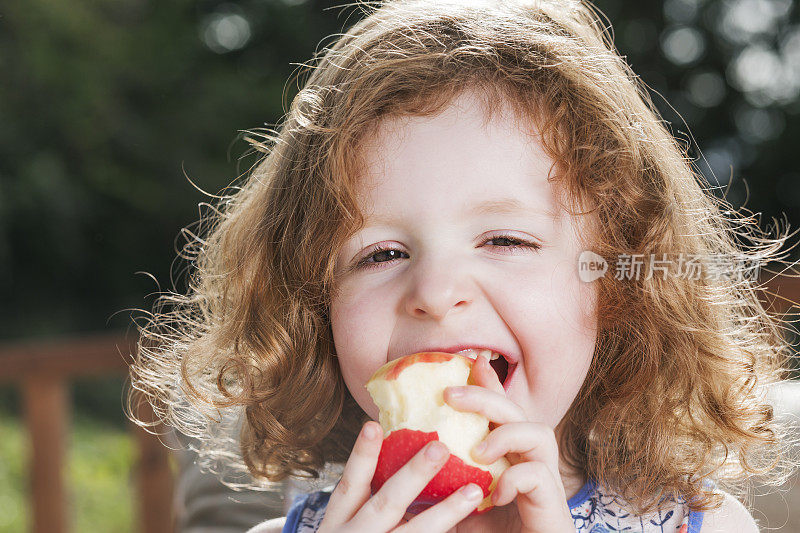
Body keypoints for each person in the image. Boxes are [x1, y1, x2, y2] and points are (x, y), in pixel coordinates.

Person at [128, 0, 800, 531]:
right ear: (313, 307)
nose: (435, 291)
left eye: (505, 240)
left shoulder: (699, 524)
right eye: (382, 252)